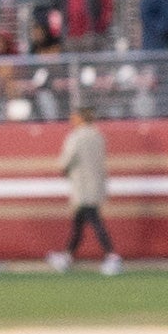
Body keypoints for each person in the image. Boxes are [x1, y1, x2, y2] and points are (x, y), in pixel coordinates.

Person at [52, 113, 118, 271]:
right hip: (96, 185)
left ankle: (111, 255)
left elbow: (66, 160)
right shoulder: (98, 137)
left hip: (82, 186)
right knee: (79, 223)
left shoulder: (76, 137)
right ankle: (67, 256)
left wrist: (63, 169)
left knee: (93, 221)